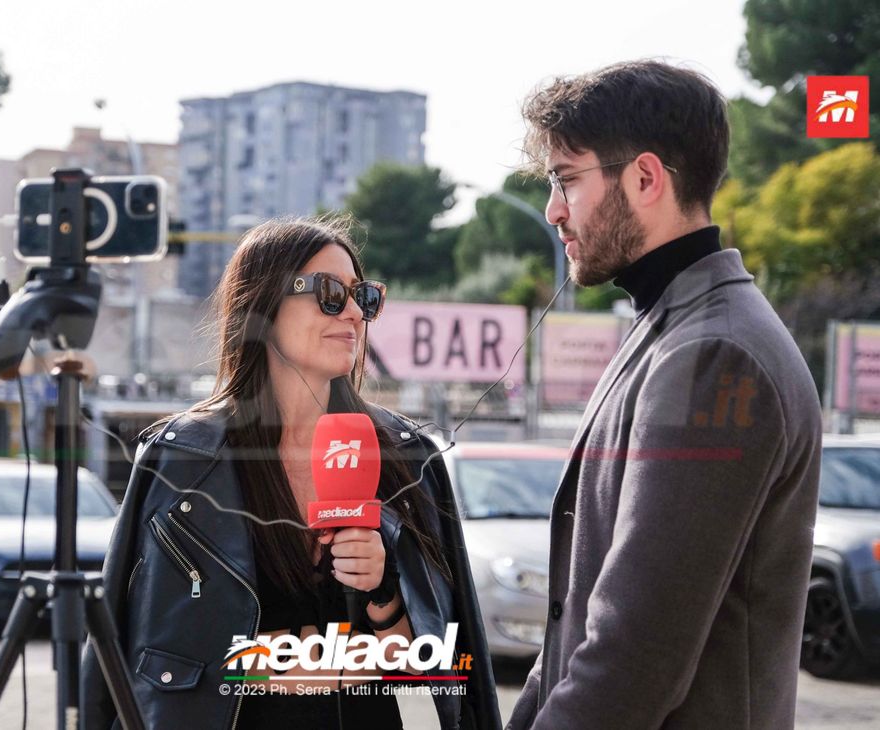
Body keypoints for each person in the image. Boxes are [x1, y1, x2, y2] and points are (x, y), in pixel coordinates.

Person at [82, 217, 500, 729]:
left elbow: (437, 671)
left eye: (363, 296)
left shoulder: (407, 456)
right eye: (330, 294)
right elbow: (134, 647)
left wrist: (383, 591)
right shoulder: (182, 457)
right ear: (262, 305)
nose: (354, 313)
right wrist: (270, 665)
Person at [506, 61, 822, 729]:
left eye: (567, 180)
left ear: (646, 178)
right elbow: (575, 635)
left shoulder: (714, 352)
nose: (553, 210)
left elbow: (633, 656)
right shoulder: (678, 329)